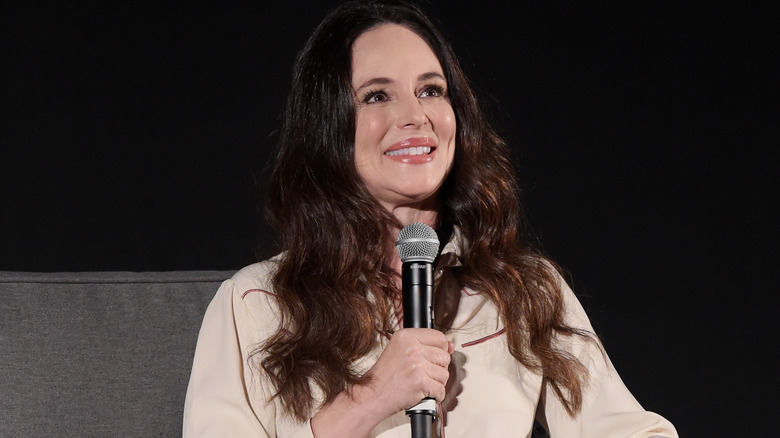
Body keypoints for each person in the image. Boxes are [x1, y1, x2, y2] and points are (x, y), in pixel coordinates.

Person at [183, 1, 678, 437]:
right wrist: (371, 396)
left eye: (432, 90)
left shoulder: (523, 293)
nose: (415, 115)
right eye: (377, 95)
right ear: (327, 128)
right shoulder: (255, 305)